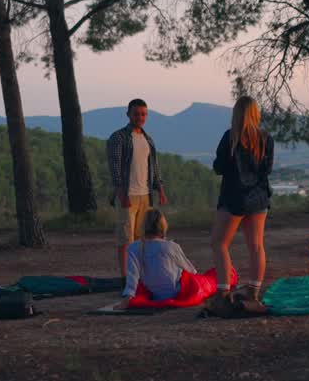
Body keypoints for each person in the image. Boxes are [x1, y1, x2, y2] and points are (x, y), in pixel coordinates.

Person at [210, 95, 274, 303]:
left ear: (236, 113)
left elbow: (219, 168)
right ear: (256, 113)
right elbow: (267, 170)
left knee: (219, 243)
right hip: (259, 197)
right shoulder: (266, 138)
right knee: (256, 246)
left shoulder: (230, 137)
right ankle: (254, 289)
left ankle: (223, 291)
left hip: (234, 198)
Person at [106, 98, 167, 279]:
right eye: (136, 114)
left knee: (144, 238)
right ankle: (126, 277)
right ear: (128, 114)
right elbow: (115, 167)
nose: (140, 117)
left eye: (143, 114)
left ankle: (140, 275)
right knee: (126, 238)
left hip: (145, 195)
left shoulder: (148, 139)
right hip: (128, 195)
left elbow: (154, 167)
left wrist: (160, 189)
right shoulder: (118, 137)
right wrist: (121, 192)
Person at [115, 209, 196, 309]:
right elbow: (191, 271)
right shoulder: (171, 246)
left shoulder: (133, 247)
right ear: (163, 226)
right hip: (175, 293)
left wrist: (127, 299)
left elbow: (132, 277)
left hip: (153, 294)